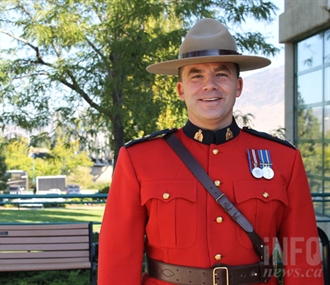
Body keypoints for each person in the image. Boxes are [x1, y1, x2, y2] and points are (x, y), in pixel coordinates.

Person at [98, 18, 324, 285]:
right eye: (196, 75)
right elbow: (117, 260)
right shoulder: (139, 159)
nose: (210, 85)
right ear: (181, 90)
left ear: (238, 87)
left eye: (222, 73)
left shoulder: (284, 159)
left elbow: (304, 258)